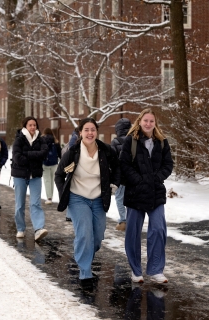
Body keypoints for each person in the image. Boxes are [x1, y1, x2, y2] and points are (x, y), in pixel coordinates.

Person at [54, 118, 120, 290]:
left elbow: (118, 168)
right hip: (77, 198)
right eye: (86, 130)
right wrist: (64, 194)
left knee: (97, 236)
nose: (90, 133)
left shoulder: (106, 151)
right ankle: (85, 272)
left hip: (98, 198)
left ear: (96, 132)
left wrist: (114, 184)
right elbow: (59, 175)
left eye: (93, 130)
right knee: (84, 234)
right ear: (80, 133)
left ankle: (86, 253)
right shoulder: (72, 152)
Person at [119, 108, 173, 284]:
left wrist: (157, 178)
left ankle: (156, 270)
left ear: (155, 123)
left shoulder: (162, 142)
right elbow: (124, 165)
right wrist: (139, 181)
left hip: (156, 192)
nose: (148, 124)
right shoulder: (131, 141)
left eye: (151, 121)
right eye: (145, 120)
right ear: (140, 121)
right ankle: (136, 271)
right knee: (133, 233)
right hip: (136, 192)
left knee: (158, 229)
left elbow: (168, 164)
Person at [11, 116, 49, 241]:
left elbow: (44, 154)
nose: (33, 127)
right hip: (20, 176)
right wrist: (34, 156)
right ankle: (20, 228)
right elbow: (17, 158)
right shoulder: (19, 140)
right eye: (30, 125)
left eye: (34, 125)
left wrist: (26, 154)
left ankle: (38, 229)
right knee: (20, 204)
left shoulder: (41, 140)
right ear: (25, 126)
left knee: (35, 203)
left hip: (36, 176)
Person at [111, 118, 132, 232]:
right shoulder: (134, 140)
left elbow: (112, 161)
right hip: (132, 177)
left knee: (119, 198)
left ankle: (123, 220)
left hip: (120, 177)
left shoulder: (116, 142)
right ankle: (131, 219)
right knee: (131, 198)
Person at [41, 128, 61, 205]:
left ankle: (49, 198)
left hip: (45, 163)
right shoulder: (55, 141)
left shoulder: (41, 141)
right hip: (54, 163)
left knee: (47, 181)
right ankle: (55, 197)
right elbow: (60, 153)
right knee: (53, 180)